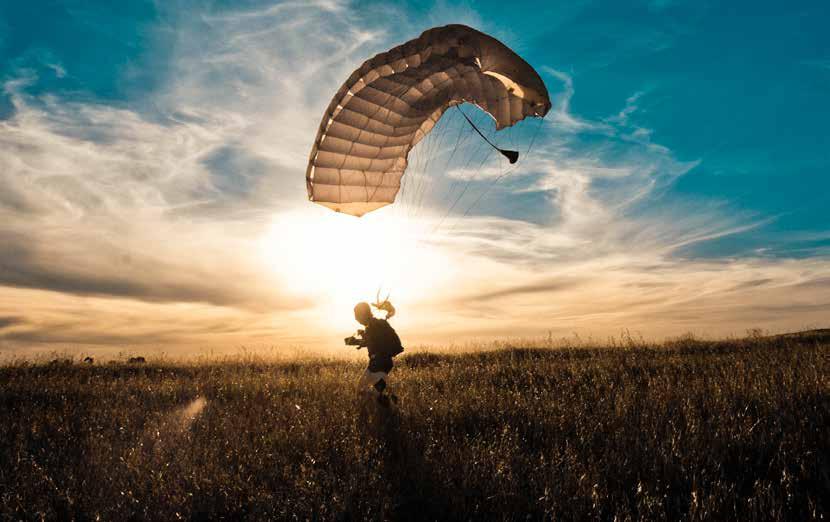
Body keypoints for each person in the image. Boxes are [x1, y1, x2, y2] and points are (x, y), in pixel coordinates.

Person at [345, 301, 403, 405]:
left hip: (381, 362)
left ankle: (390, 409)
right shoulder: (372, 325)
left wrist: (355, 341)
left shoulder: (374, 325)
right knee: (361, 390)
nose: (356, 319)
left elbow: (371, 341)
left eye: (357, 315)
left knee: (377, 394)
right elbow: (373, 342)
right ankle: (390, 403)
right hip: (376, 363)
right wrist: (360, 339)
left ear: (363, 314)